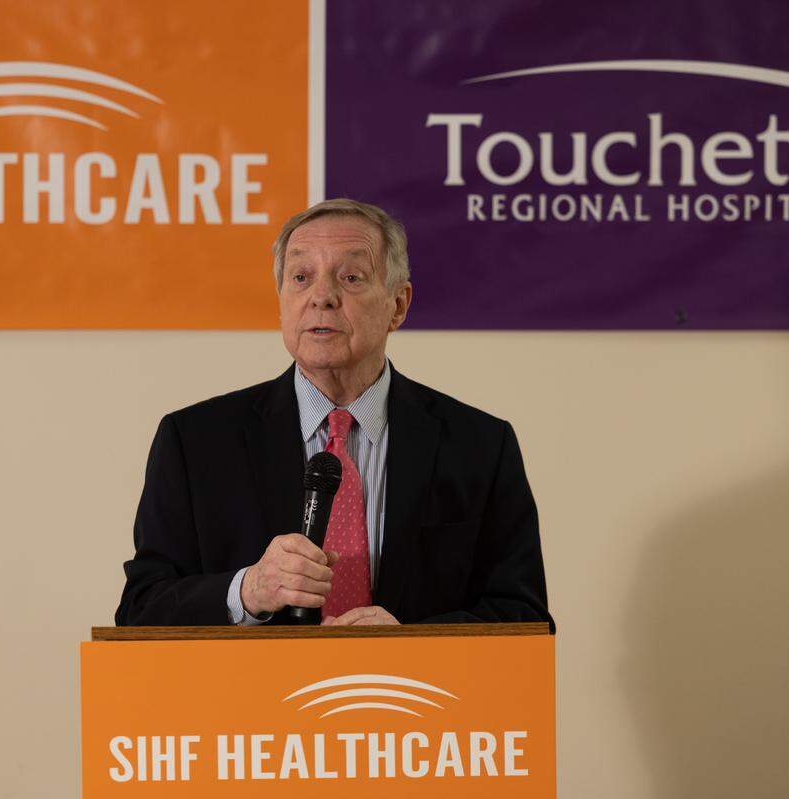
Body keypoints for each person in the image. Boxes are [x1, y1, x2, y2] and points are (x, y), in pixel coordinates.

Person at [115, 198, 551, 627]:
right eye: (301, 277)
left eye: (351, 277)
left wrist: (415, 643)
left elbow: (524, 617)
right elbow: (141, 609)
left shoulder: (479, 445)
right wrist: (247, 591)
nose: (322, 296)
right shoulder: (195, 442)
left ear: (398, 305)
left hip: (415, 697)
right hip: (249, 696)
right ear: (281, 300)